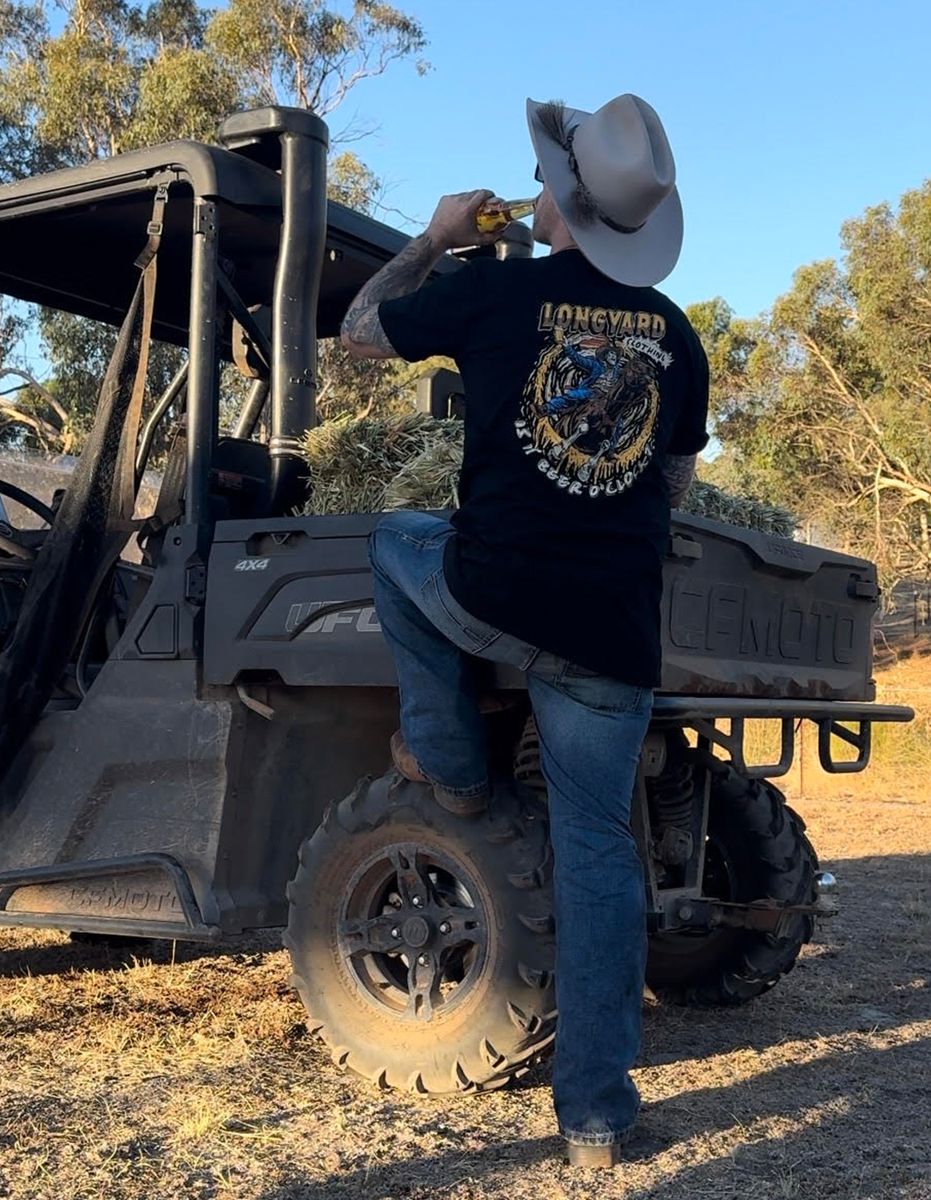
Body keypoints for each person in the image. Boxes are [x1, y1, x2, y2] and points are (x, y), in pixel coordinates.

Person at [340, 93, 709, 1169]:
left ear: (556, 200)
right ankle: (595, 1118)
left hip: (492, 594)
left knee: (395, 540)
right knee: (596, 855)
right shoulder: (678, 336)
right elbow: (673, 480)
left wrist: (436, 237)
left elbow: (360, 333)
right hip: (611, 636)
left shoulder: (492, 290)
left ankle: (452, 768)